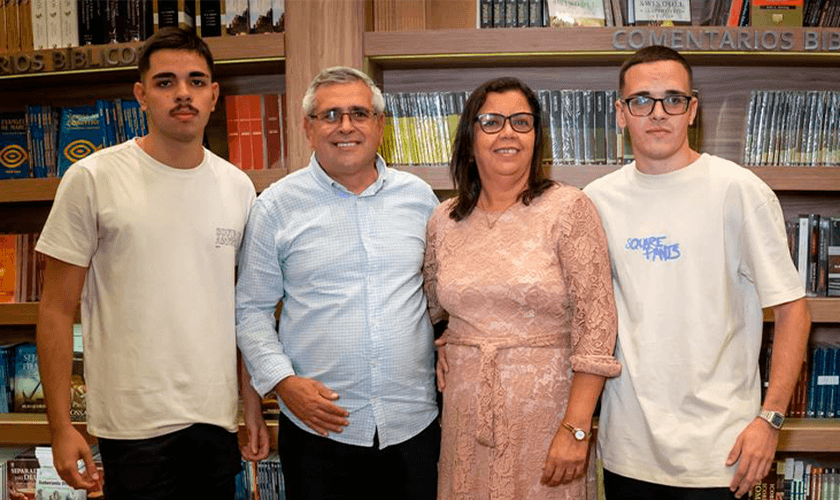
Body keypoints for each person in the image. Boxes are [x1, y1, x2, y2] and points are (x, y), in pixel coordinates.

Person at [35, 27, 269, 499]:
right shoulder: (93, 178)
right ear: (141, 94)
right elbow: (56, 310)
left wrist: (251, 405)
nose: (183, 94)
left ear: (214, 94)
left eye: (196, 81)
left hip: (215, 419)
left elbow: (245, 307)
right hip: (132, 424)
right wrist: (61, 426)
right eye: (166, 82)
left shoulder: (238, 187)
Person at [583, 45, 812, 500]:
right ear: (620, 113)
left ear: (693, 110)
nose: (657, 113)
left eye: (673, 99)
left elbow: (793, 310)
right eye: (640, 100)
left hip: (720, 453)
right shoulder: (595, 200)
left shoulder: (739, 191)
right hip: (628, 448)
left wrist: (770, 420)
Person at [235, 66, 441, 500]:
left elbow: (439, 297)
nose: (345, 126)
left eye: (358, 114)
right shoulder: (275, 207)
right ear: (309, 129)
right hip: (318, 434)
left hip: (414, 426)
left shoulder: (420, 199)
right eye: (330, 116)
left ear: (379, 126)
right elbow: (250, 310)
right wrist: (282, 383)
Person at [426, 76, 621, 499]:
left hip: (548, 417)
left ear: (536, 136)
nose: (508, 132)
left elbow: (598, 325)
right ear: (470, 136)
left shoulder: (569, 208)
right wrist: (444, 342)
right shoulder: (444, 219)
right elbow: (432, 308)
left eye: (521, 121)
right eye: (492, 121)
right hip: (465, 417)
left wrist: (577, 427)